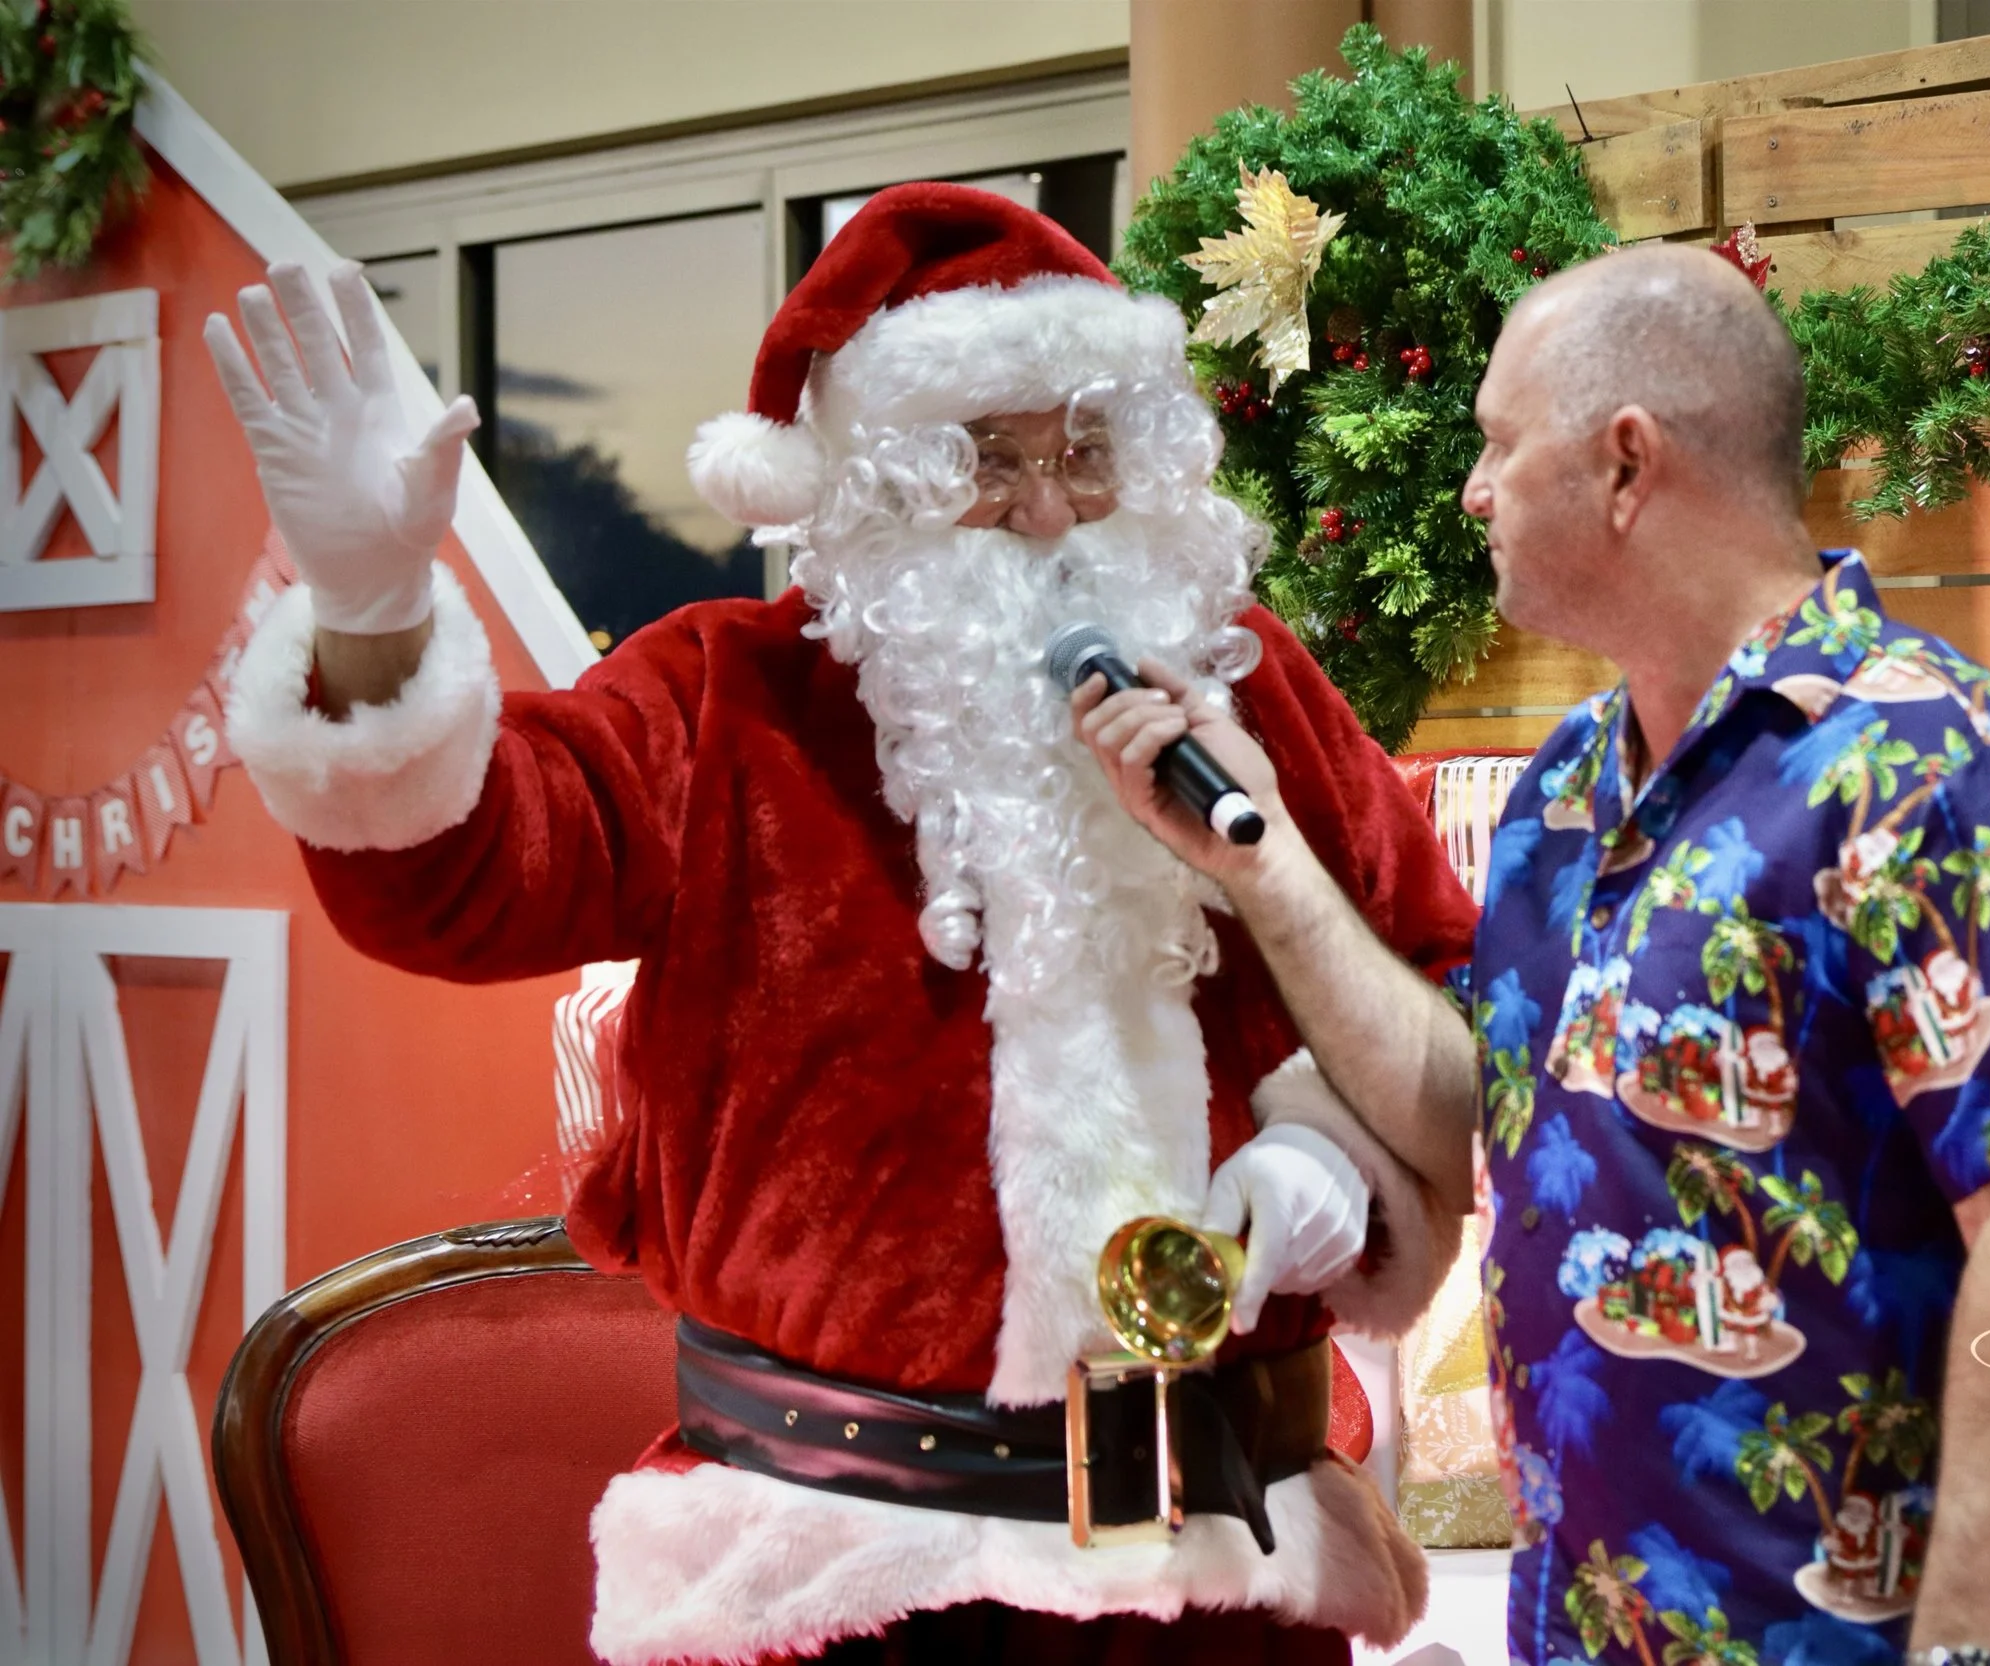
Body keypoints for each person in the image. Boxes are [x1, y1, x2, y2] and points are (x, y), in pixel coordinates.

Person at [204, 185, 1476, 1666]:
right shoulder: (724, 702)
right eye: (987, 461)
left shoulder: (1249, 692)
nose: (1053, 511)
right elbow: (467, 871)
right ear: (874, 481)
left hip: (1222, 1577)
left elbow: (1440, 984)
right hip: (841, 1586)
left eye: (1086, 453)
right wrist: (373, 615)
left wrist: (1326, 1158)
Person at [1071, 242, 1990, 1666]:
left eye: (1502, 444)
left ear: (1626, 464)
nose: (1474, 488)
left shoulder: (1938, 763)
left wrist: (1972, 1654)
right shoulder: (1568, 785)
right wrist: (1260, 867)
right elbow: (1482, 1115)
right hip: (1583, 1626)